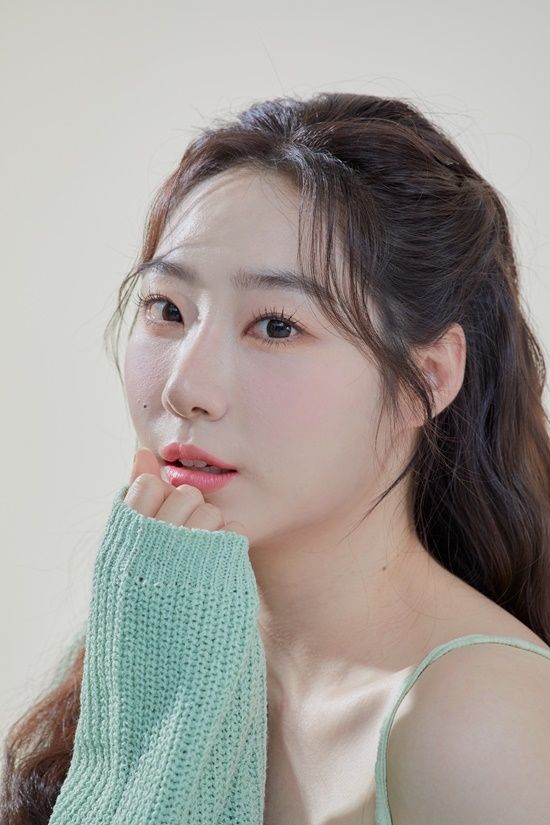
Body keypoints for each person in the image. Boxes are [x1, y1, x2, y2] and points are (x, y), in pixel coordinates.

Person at [2, 92, 550, 825]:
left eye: (276, 326)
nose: (185, 388)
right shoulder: (160, 634)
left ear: (427, 377)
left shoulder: (482, 725)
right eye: (168, 309)